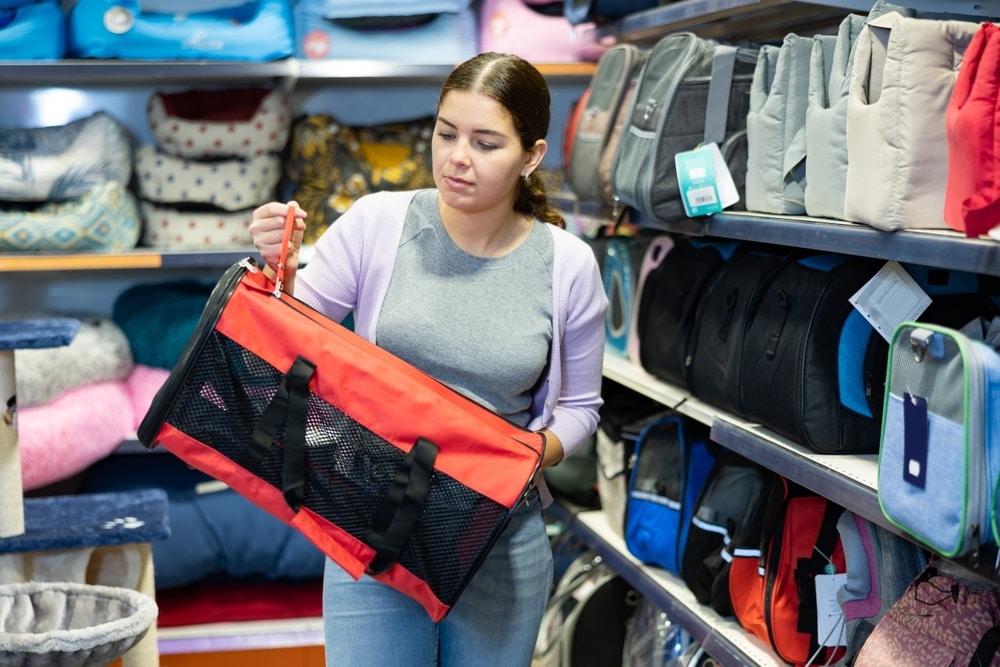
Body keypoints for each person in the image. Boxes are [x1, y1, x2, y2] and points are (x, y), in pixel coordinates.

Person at [249, 51, 607, 667]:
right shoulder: (377, 222)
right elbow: (288, 333)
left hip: (496, 533)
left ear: (532, 155)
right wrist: (276, 262)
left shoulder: (569, 265)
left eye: (486, 143)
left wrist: (519, 459)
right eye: (446, 134)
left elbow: (578, 408)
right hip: (372, 516)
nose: (456, 157)